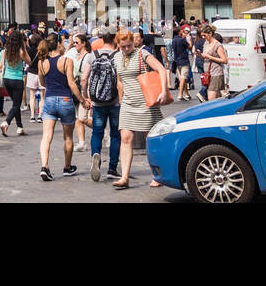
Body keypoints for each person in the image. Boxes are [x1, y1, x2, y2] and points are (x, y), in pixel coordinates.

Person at [111, 29, 170, 190]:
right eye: (123, 46)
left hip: (147, 102)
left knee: (150, 140)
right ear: (118, 45)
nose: (126, 49)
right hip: (128, 103)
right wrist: (121, 100)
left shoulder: (142, 54)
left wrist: (164, 91)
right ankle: (124, 177)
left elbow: (161, 70)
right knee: (125, 138)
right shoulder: (116, 57)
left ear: (133, 43)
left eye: (128, 46)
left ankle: (158, 175)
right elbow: (120, 80)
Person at [37, 32, 85, 179]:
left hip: (50, 100)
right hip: (65, 100)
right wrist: (82, 100)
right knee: (68, 137)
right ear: (59, 44)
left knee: (46, 136)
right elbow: (71, 83)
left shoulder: (41, 62)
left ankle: (44, 167)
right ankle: (67, 167)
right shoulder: (66, 61)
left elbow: (42, 83)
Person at [82, 26, 120, 182]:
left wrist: (86, 97)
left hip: (97, 102)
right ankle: (112, 168)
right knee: (115, 134)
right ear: (114, 38)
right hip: (115, 101)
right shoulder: (118, 56)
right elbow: (119, 80)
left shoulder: (92, 55)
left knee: (97, 132)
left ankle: (95, 154)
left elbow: (84, 78)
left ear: (102, 38)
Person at [0, 29, 31, 138]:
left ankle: (20, 127)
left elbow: (1, 65)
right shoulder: (21, 52)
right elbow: (29, 62)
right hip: (17, 79)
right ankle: (6, 122)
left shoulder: (6, 50)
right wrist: (25, 48)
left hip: (7, 79)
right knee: (17, 105)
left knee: (15, 104)